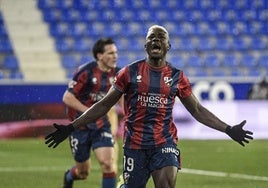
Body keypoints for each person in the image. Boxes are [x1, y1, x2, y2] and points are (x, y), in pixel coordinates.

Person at [45, 25, 253, 188]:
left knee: (166, 184)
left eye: (160, 37)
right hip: (135, 145)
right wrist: (71, 127)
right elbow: (104, 104)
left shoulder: (177, 77)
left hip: (164, 142)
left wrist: (228, 129)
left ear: (168, 46)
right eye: (151, 37)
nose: (156, 40)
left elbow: (197, 110)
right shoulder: (128, 72)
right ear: (145, 45)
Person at [60, 37, 120, 188]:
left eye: (116, 53)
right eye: (110, 53)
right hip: (79, 126)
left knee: (108, 164)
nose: (115, 56)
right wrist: (90, 112)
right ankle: (69, 176)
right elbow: (67, 97)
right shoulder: (86, 71)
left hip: (101, 124)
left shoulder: (118, 74)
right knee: (83, 173)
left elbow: (123, 96)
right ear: (100, 56)